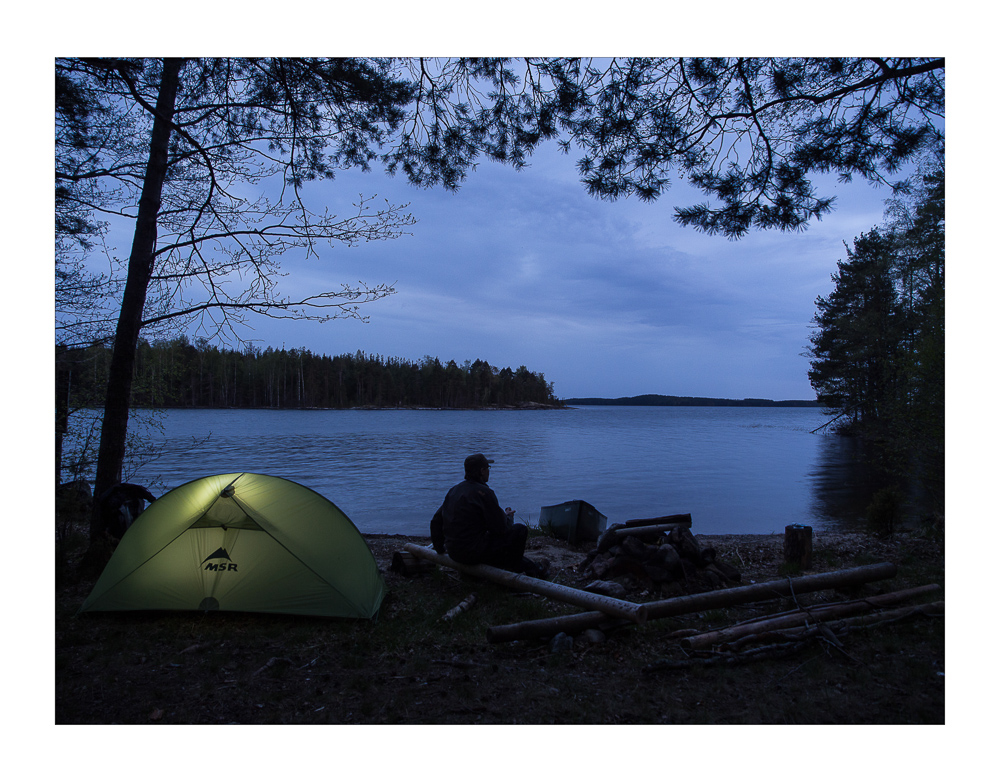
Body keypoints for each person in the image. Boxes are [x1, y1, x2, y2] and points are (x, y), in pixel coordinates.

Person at [430, 453, 546, 578]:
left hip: (454, 552)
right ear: (482, 471)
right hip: (473, 554)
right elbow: (501, 529)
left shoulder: (454, 491)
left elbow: (436, 522)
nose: (489, 472)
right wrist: (508, 518)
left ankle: (530, 567)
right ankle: (513, 569)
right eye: (487, 468)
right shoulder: (484, 493)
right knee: (520, 530)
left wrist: (440, 549)